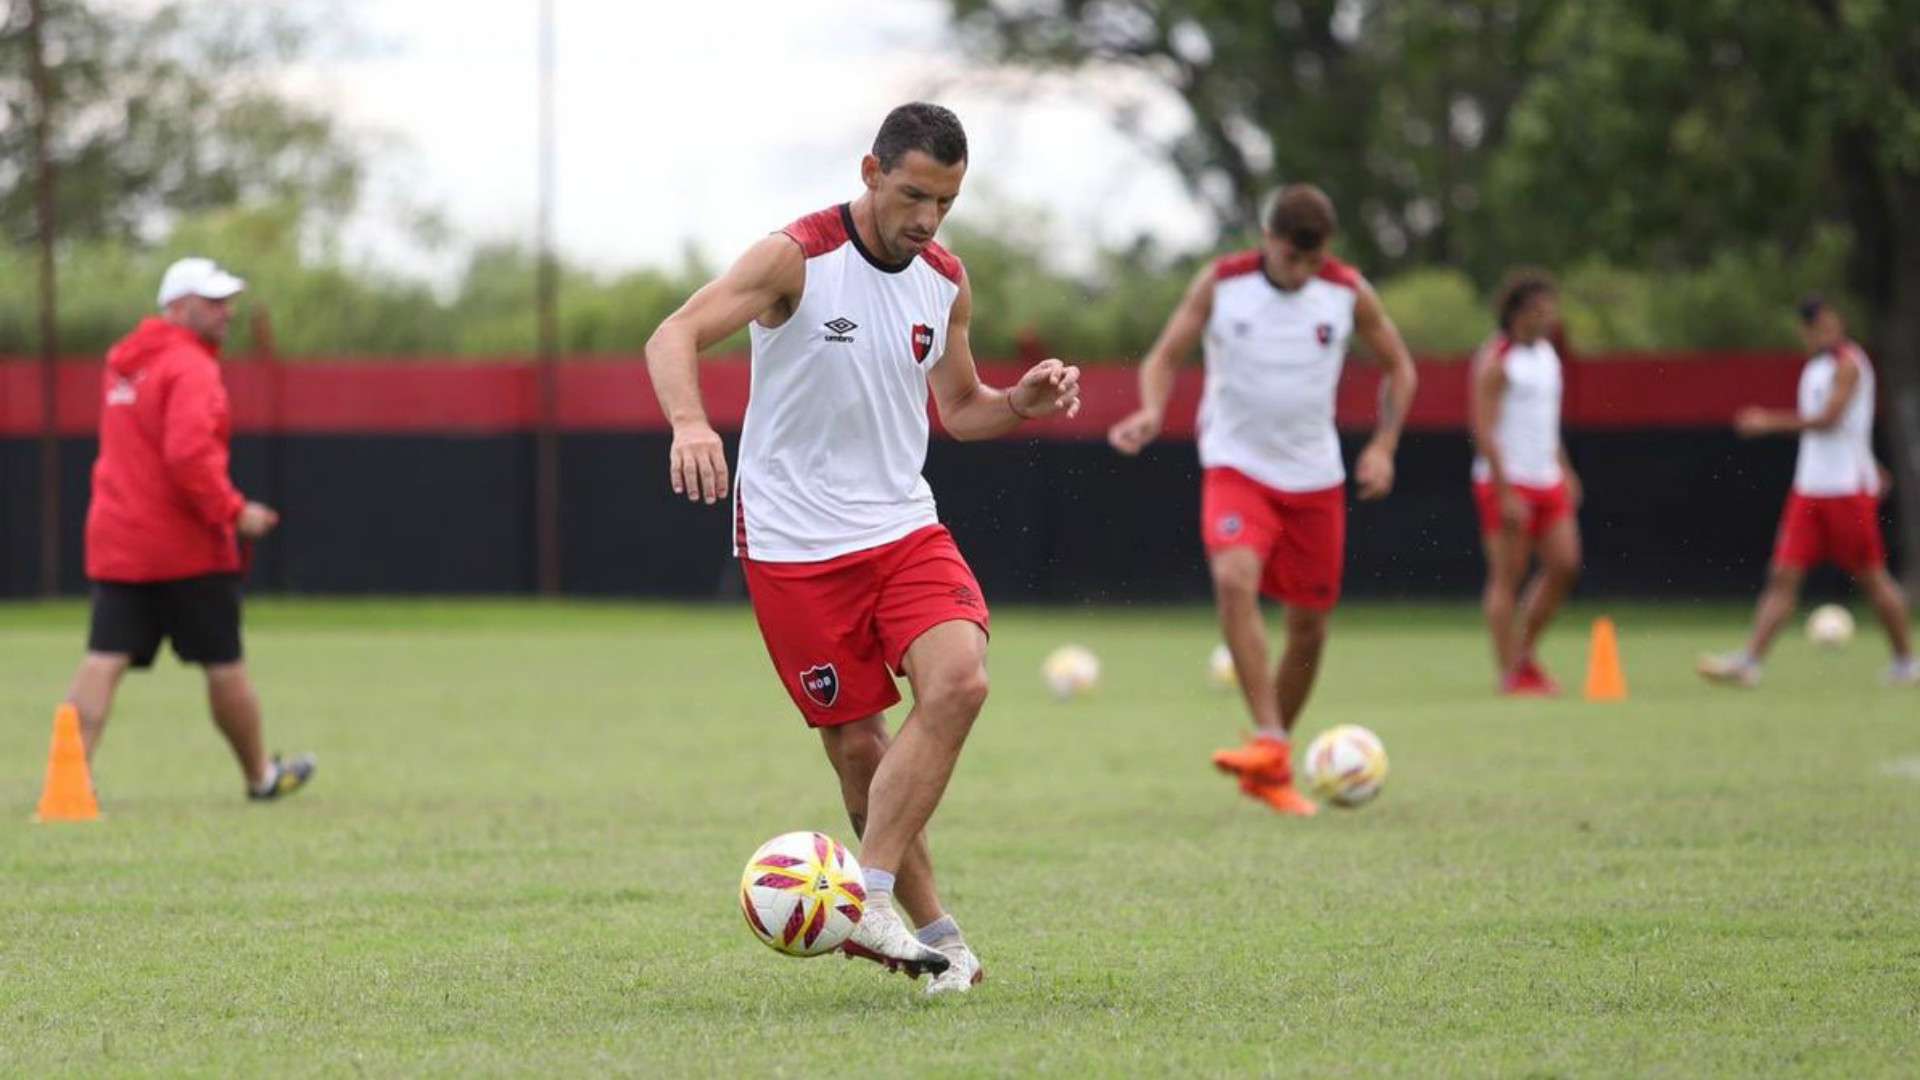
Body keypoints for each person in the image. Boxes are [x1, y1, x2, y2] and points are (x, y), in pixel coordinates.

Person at [644, 103, 1082, 995]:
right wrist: (691, 422)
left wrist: (1021, 404)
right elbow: (673, 333)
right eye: (914, 194)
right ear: (871, 171)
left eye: (946, 203)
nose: (927, 219)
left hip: (901, 527)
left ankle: (865, 892)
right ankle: (941, 940)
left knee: (960, 679)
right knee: (858, 751)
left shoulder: (946, 280)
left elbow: (960, 410)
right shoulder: (795, 257)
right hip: (794, 543)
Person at [1108, 184, 1418, 816]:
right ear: (1269, 240)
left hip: (1315, 478)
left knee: (1308, 627)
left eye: (1313, 259)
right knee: (1234, 576)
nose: (1303, 271)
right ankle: (1272, 743)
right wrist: (1150, 409)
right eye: (1291, 257)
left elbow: (1400, 368)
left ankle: (1270, 760)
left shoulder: (1347, 290)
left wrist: (1384, 445)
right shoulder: (1221, 284)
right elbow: (1165, 356)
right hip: (1237, 466)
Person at [66, 257, 316, 801]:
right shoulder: (191, 366)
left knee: (104, 658)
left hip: (120, 537)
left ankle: (67, 780)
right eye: (213, 302)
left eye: (228, 301)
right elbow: (187, 455)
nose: (227, 313)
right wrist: (233, 512)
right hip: (186, 547)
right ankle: (259, 778)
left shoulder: (125, 364)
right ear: (177, 307)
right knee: (224, 662)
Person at [1699, 296, 1916, 687]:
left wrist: (1767, 422)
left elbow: (1832, 420)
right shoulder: (1816, 366)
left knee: (1872, 578)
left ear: (1840, 323)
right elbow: (1851, 429)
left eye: (1831, 322)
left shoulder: (1848, 363)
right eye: (1817, 326)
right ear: (1806, 332)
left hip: (1845, 491)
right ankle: (1749, 663)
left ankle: (1906, 661)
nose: (1825, 331)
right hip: (1810, 489)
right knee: (1783, 575)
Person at [1470, 270, 1582, 695]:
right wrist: (1504, 490)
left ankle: (1525, 653)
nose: (1548, 317)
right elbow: (1483, 431)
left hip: (1546, 478)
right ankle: (1510, 673)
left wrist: (1564, 468)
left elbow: (1546, 424)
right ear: (1516, 313)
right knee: (1507, 578)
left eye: (1550, 309)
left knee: (1565, 565)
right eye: (1539, 310)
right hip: (1507, 482)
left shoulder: (1548, 356)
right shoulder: (1497, 360)